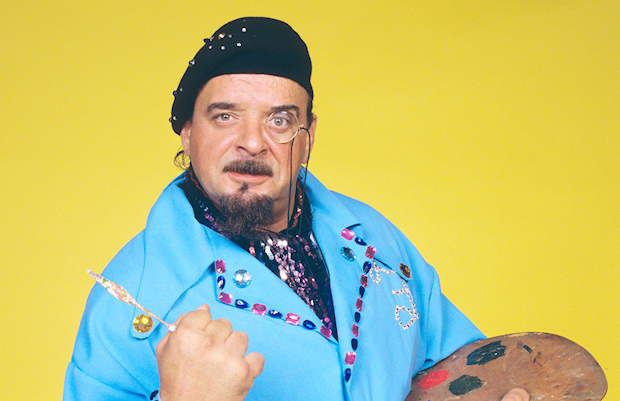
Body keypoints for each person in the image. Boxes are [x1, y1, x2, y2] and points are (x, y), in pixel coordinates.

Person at [63, 17, 529, 401]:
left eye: (280, 120)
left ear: (308, 136)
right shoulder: (133, 298)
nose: (252, 142)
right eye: (225, 116)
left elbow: (457, 369)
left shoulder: (376, 238)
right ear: (187, 133)